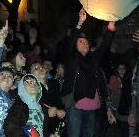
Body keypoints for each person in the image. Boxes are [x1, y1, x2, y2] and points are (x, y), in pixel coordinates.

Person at [61, 8, 116, 137]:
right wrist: (80, 22)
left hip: (92, 108)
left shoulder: (94, 58)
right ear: (75, 45)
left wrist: (111, 27)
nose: (84, 43)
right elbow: (70, 43)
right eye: (80, 41)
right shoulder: (72, 59)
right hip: (75, 107)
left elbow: (105, 45)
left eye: (86, 42)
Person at [30, 62, 65, 136]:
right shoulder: (31, 88)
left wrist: (62, 110)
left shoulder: (54, 84)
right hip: (43, 127)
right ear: (31, 74)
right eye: (36, 68)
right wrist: (46, 113)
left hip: (56, 124)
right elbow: (31, 110)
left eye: (41, 67)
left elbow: (59, 101)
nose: (40, 69)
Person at [107, 63, 131, 136]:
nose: (121, 71)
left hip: (124, 108)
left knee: (124, 128)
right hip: (114, 107)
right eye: (120, 69)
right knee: (113, 128)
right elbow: (110, 91)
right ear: (117, 70)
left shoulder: (129, 79)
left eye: (123, 68)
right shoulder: (114, 78)